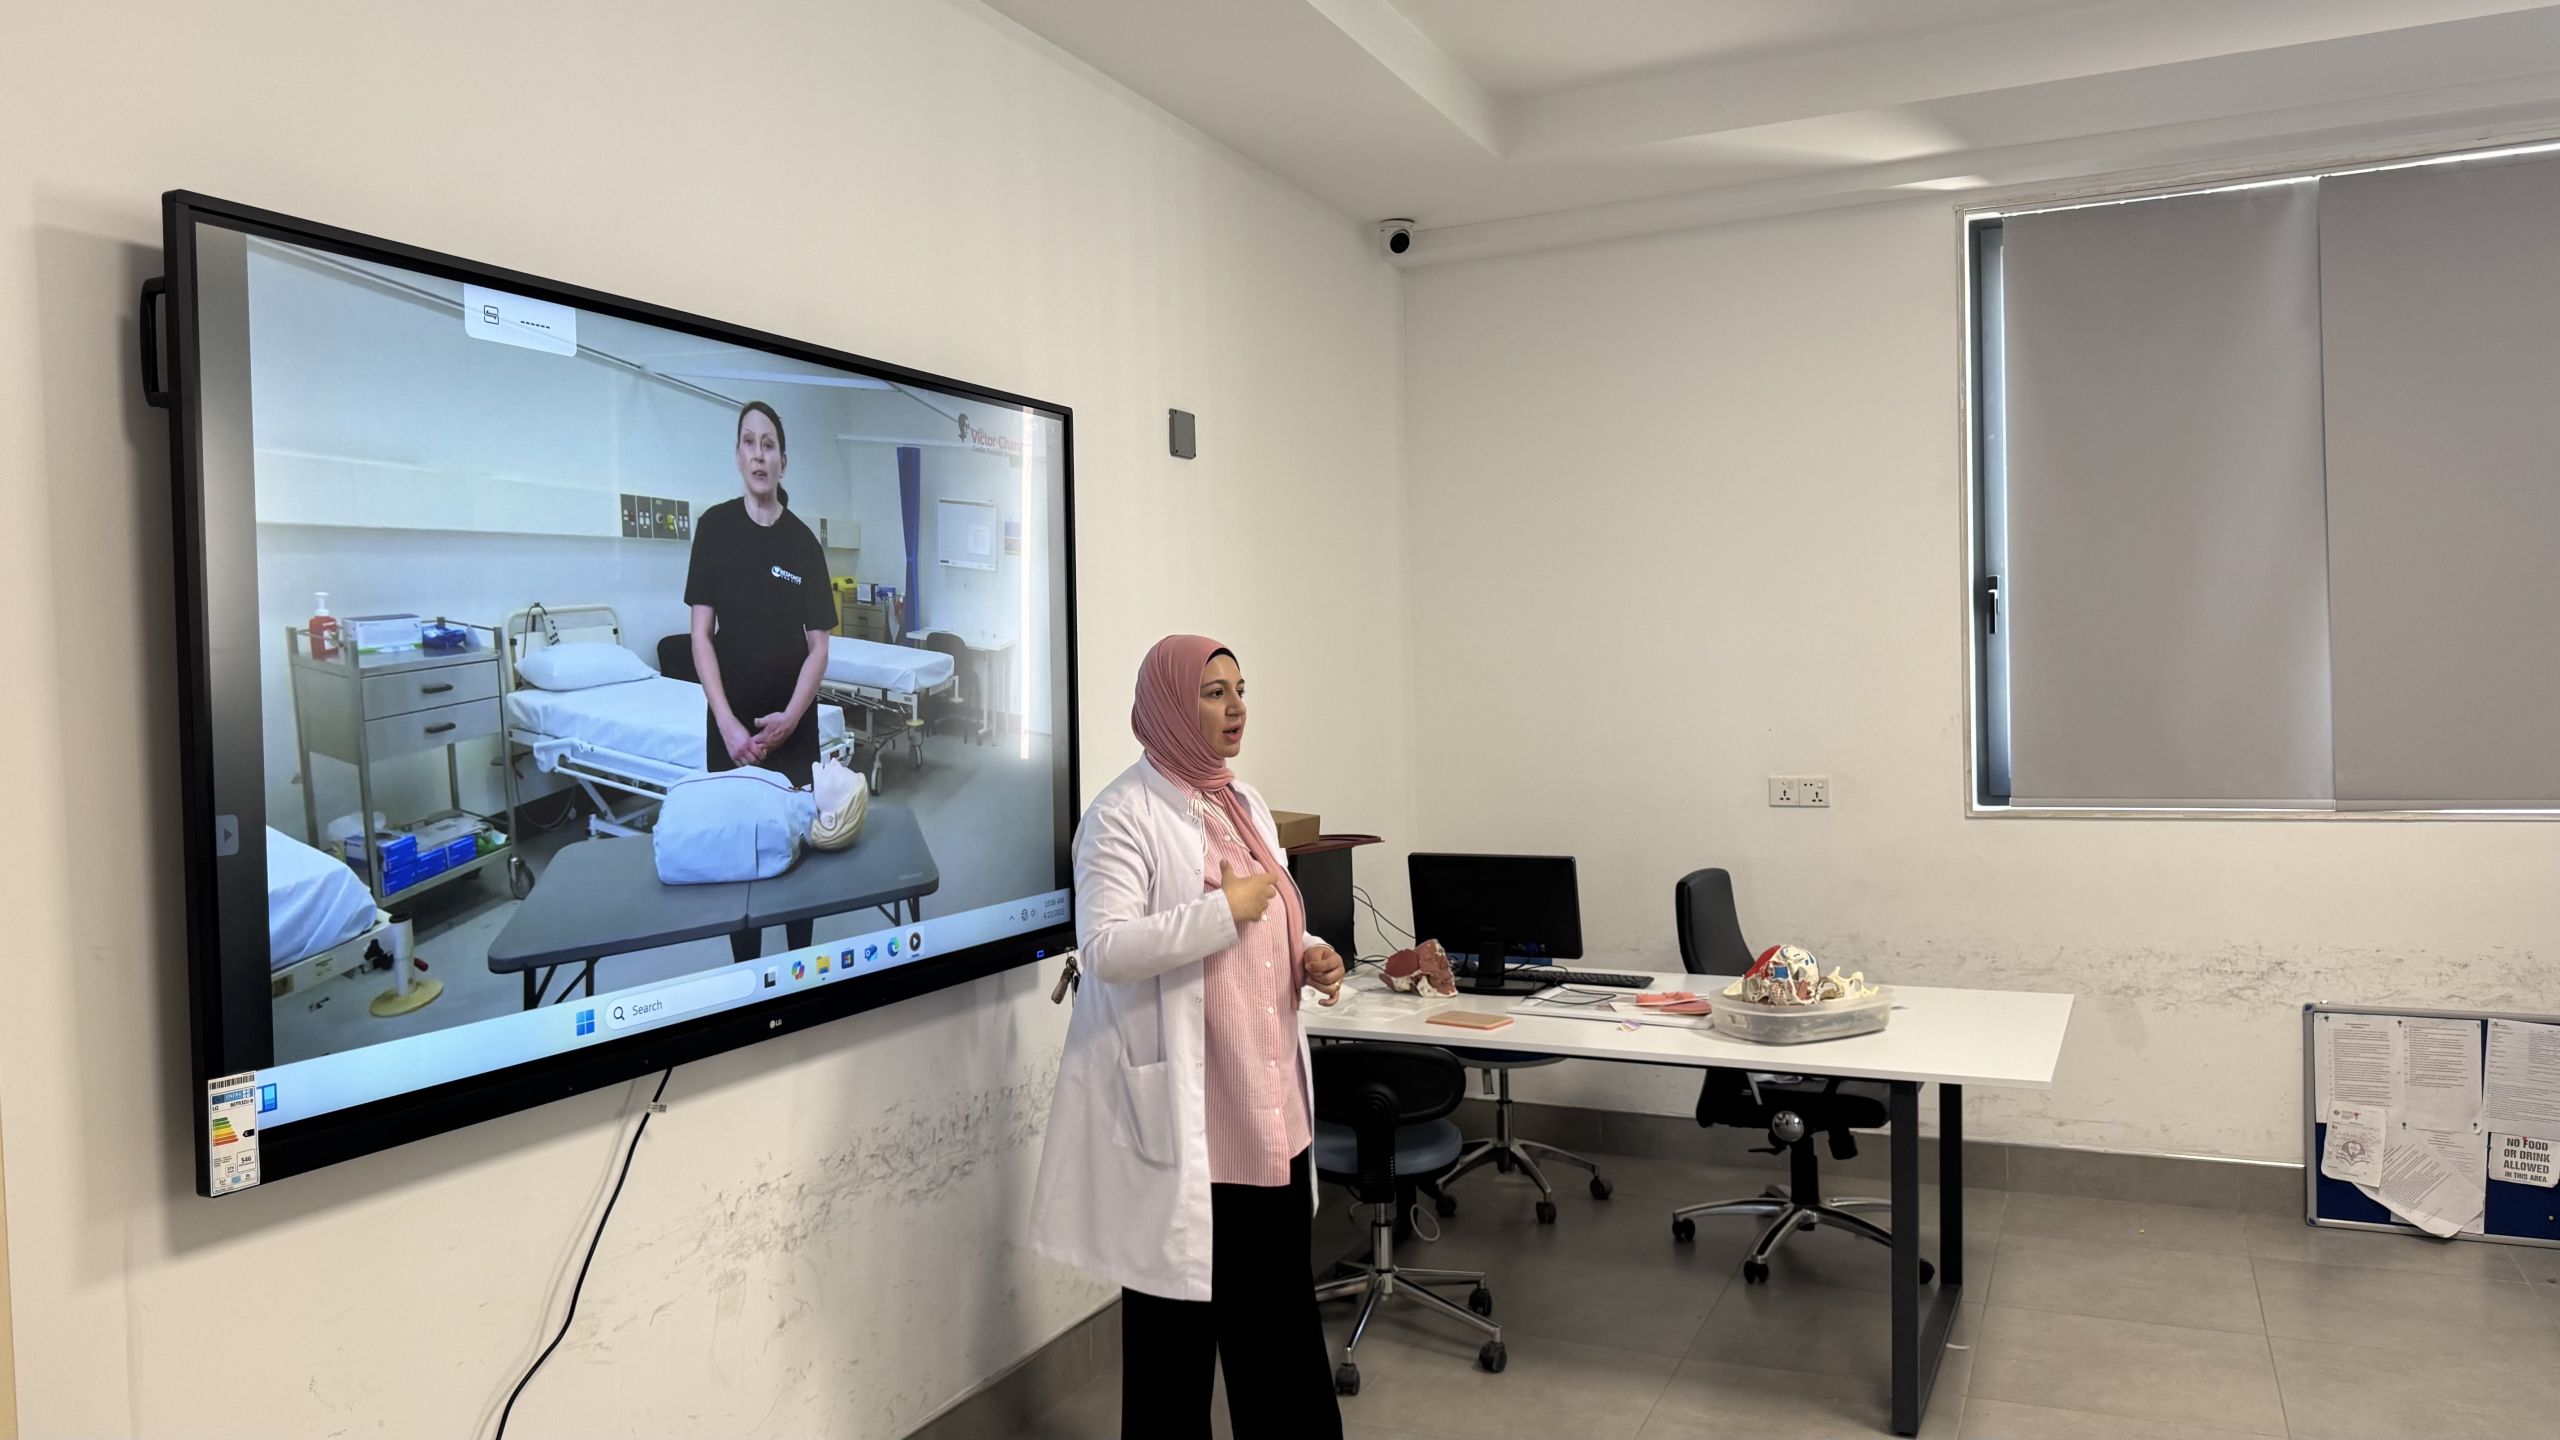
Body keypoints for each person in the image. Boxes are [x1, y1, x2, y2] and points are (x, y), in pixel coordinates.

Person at [1030, 635, 1350, 1440]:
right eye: (1213, 692)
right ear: (1173, 705)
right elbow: (1105, 949)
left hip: (1269, 1111)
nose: (1236, 707)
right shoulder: (1119, 817)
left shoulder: (1244, 801)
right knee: (1174, 1354)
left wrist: (1308, 955)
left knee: (1281, 1335)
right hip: (1190, 1123)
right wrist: (1221, 912)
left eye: (1240, 689)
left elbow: (1269, 919)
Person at [683, 400, 834, 962]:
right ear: (738, 455)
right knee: (738, 858)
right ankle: (745, 975)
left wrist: (791, 719)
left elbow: (819, 646)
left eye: (769, 444)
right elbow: (701, 635)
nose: (759, 454)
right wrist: (726, 722)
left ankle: (798, 971)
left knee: (797, 862)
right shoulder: (714, 529)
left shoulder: (803, 544)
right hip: (732, 730)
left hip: (793, 730)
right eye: (749, 442)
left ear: (783, 461)